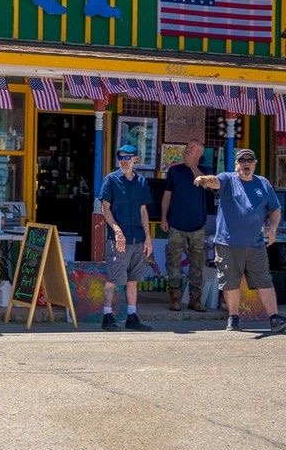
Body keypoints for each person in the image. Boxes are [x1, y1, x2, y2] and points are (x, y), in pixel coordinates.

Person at [195, 148, 286, 332]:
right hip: (227, 243)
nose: (246, 164)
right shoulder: (228, 179)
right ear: (236, 165)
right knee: (230, 282)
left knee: (264, 280)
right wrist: (204, 179)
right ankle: (234, 317)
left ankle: (274, 317)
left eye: (249, 161)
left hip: (256, 244)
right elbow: (215, 181)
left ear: (254, 164)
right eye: (242, 161)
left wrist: (273, 229)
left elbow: (275, 209)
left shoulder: (263, 183)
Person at [99, 144, 154, 331]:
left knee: (133, 279)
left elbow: (143, 210)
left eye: (128, 158)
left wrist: (148, 237)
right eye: (121, 157)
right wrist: (116, 230)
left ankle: (132, 316)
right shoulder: (111, 180)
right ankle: (107, 316)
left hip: (137, 238)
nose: (124, 161)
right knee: (113, 278)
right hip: (118, 240)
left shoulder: (141, 182)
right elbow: (105, 208)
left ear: (135, 159)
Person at [161, 138, 209, 312]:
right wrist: (164, 218)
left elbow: (204, 184)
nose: (189, 150)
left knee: (197, 263)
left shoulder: (206, 171)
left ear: (200, 153)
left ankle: (195, 299)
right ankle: (175, 298)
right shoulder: (174, 171)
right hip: (176, 224)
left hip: (198, 226)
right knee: (173, 262)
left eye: (193, 148)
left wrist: (192, 166)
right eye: (187, 147)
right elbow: (167, 195)